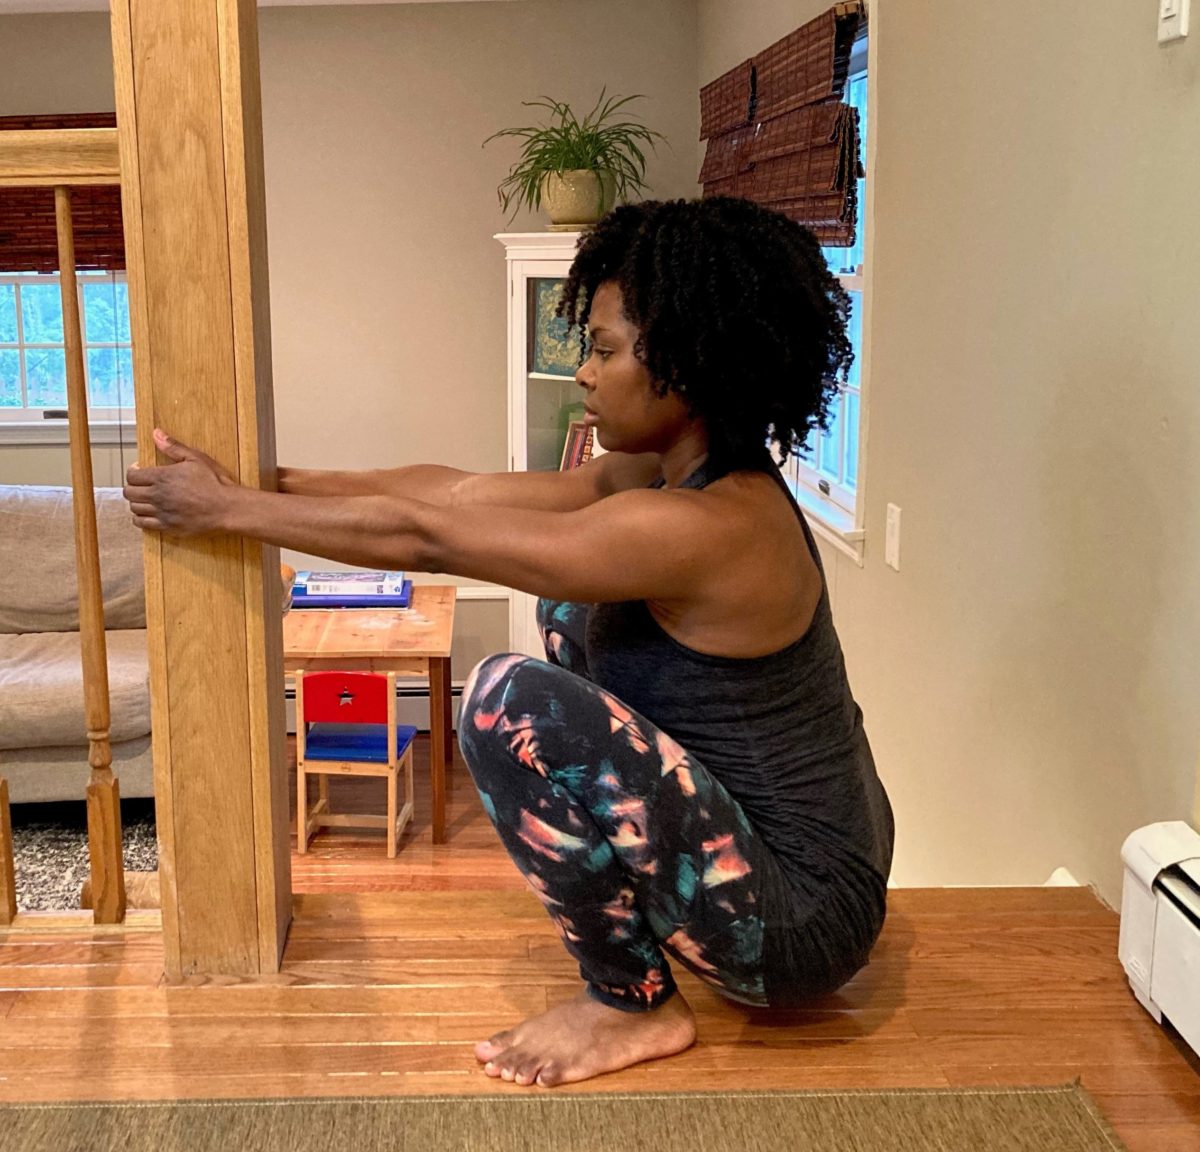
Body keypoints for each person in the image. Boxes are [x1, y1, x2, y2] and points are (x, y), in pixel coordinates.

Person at [123, 196, 895, 1089]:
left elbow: (429, 539)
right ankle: (652, 951)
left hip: (798, 924)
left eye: (604, 349)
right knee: (572, 615)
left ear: (686, 361)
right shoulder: (663, 477)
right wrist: (265, 483)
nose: (584, 373)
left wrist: (232, 512)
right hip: (792, 856)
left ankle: (633, 1003)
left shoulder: (712, 526)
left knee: (505, 700)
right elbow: (452, 495)